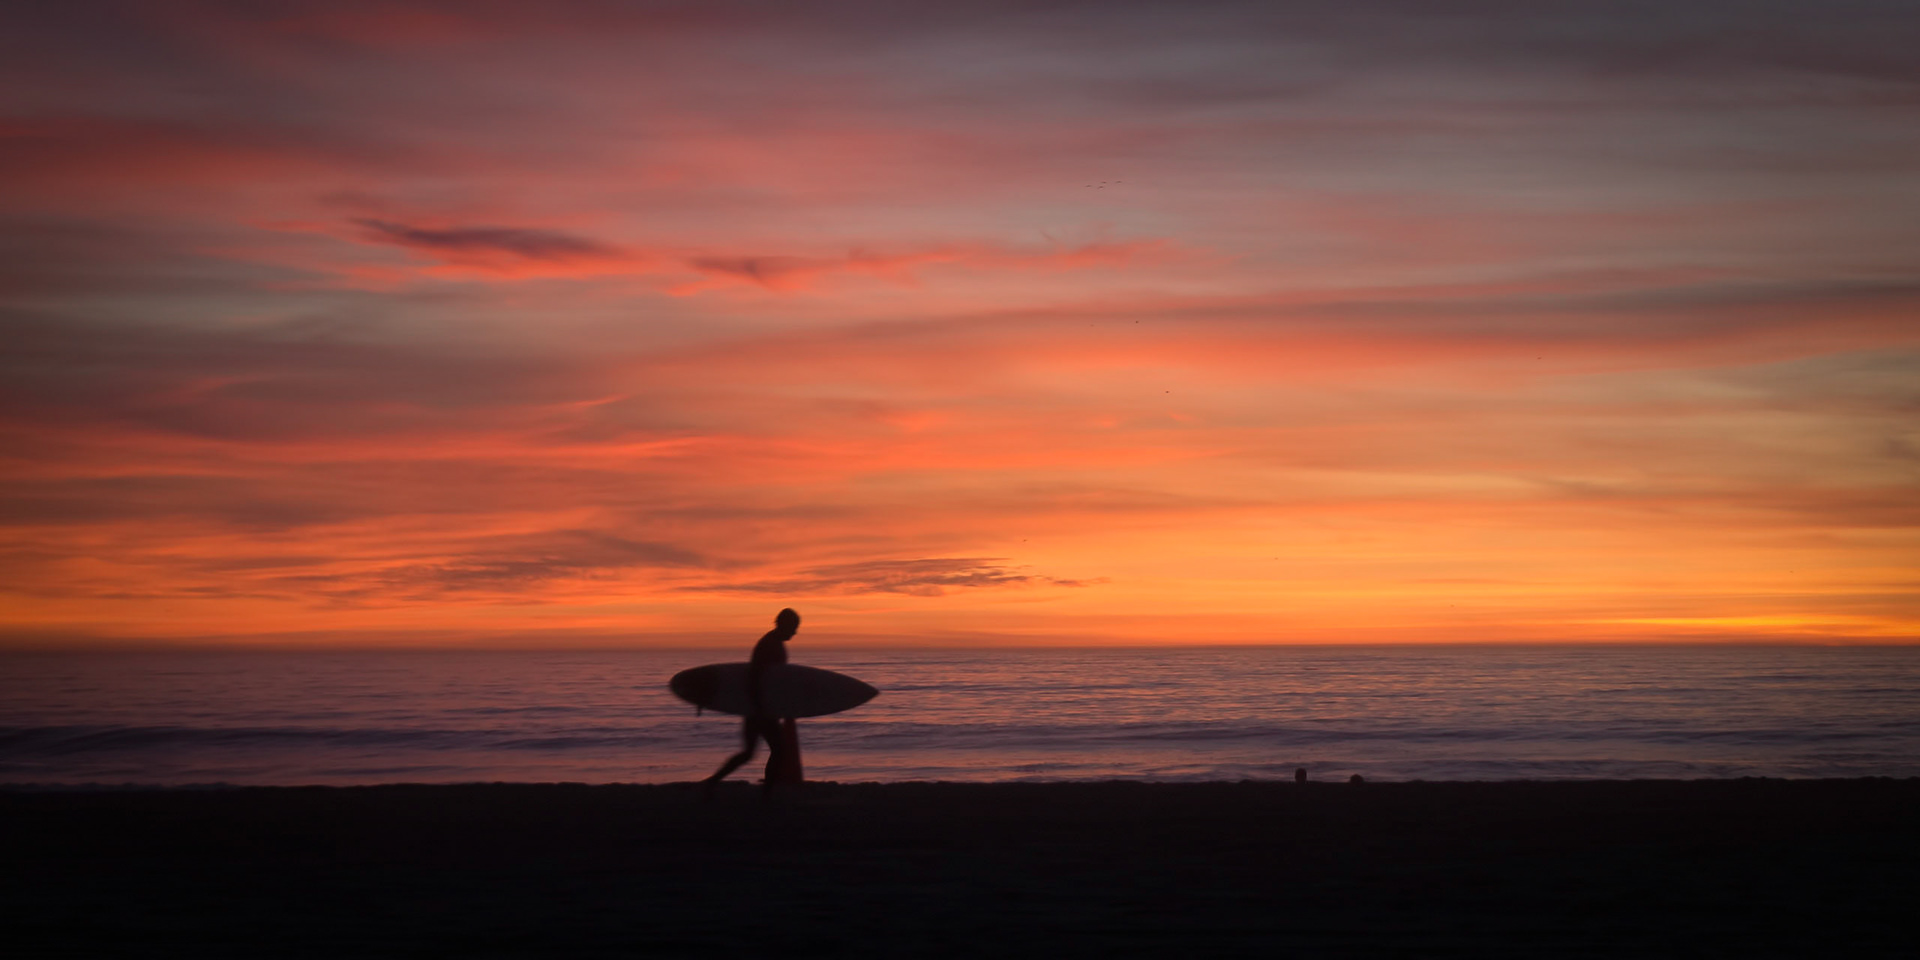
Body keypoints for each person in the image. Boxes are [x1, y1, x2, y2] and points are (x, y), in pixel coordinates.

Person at [703, 608, 803, 793]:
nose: (795, 632)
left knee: (750, 752)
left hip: (758, 707)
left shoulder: (773, 643)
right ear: (783, 624)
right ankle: (766, 794)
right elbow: (757, 677)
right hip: (760, 708)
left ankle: (712, 782)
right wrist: (762, 706)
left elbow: (772, 679)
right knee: (779, 749)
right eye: (794, 627)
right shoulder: (770, 645)